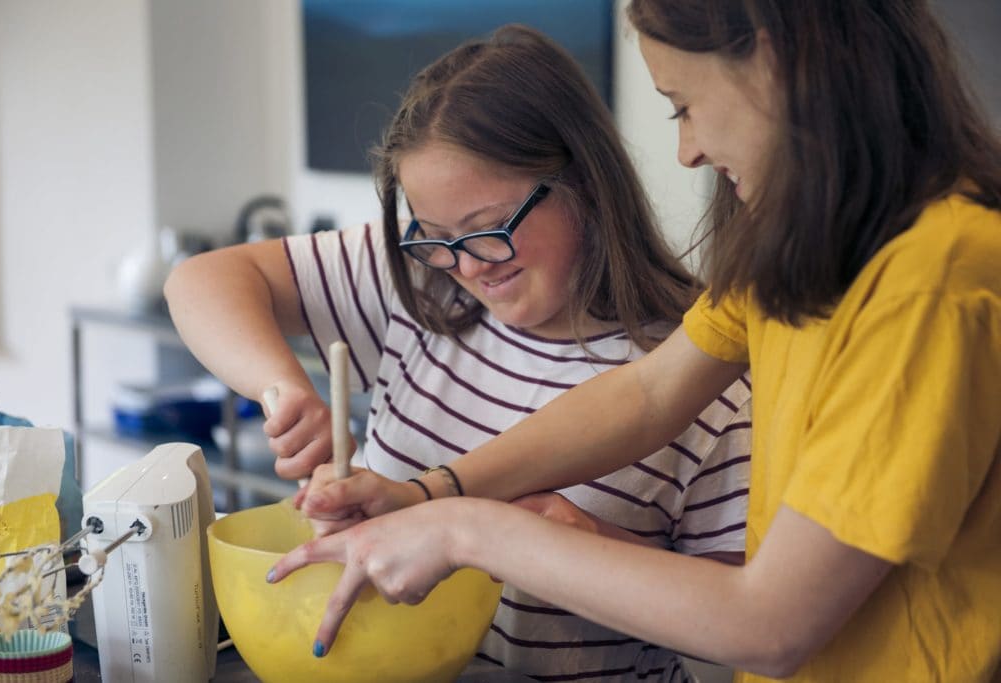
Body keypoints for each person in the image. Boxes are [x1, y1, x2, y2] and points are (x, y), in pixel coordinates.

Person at [269, 2, 1001, 681]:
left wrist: (464, 530)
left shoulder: (929, 283)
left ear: (776, 62)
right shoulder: (814, 238)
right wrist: (428, 493)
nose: (685, 149)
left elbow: (771, 622)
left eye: (683, 106)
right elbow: (649, 393)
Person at [164, 24, 752, 683]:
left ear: (585, 182)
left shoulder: (710, 384)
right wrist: (282, 388)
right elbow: (198, 281)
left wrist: (581, 546)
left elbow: (740, 636)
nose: (467, 265)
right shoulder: (422, 285)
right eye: (434, 235)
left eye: (488, 230)